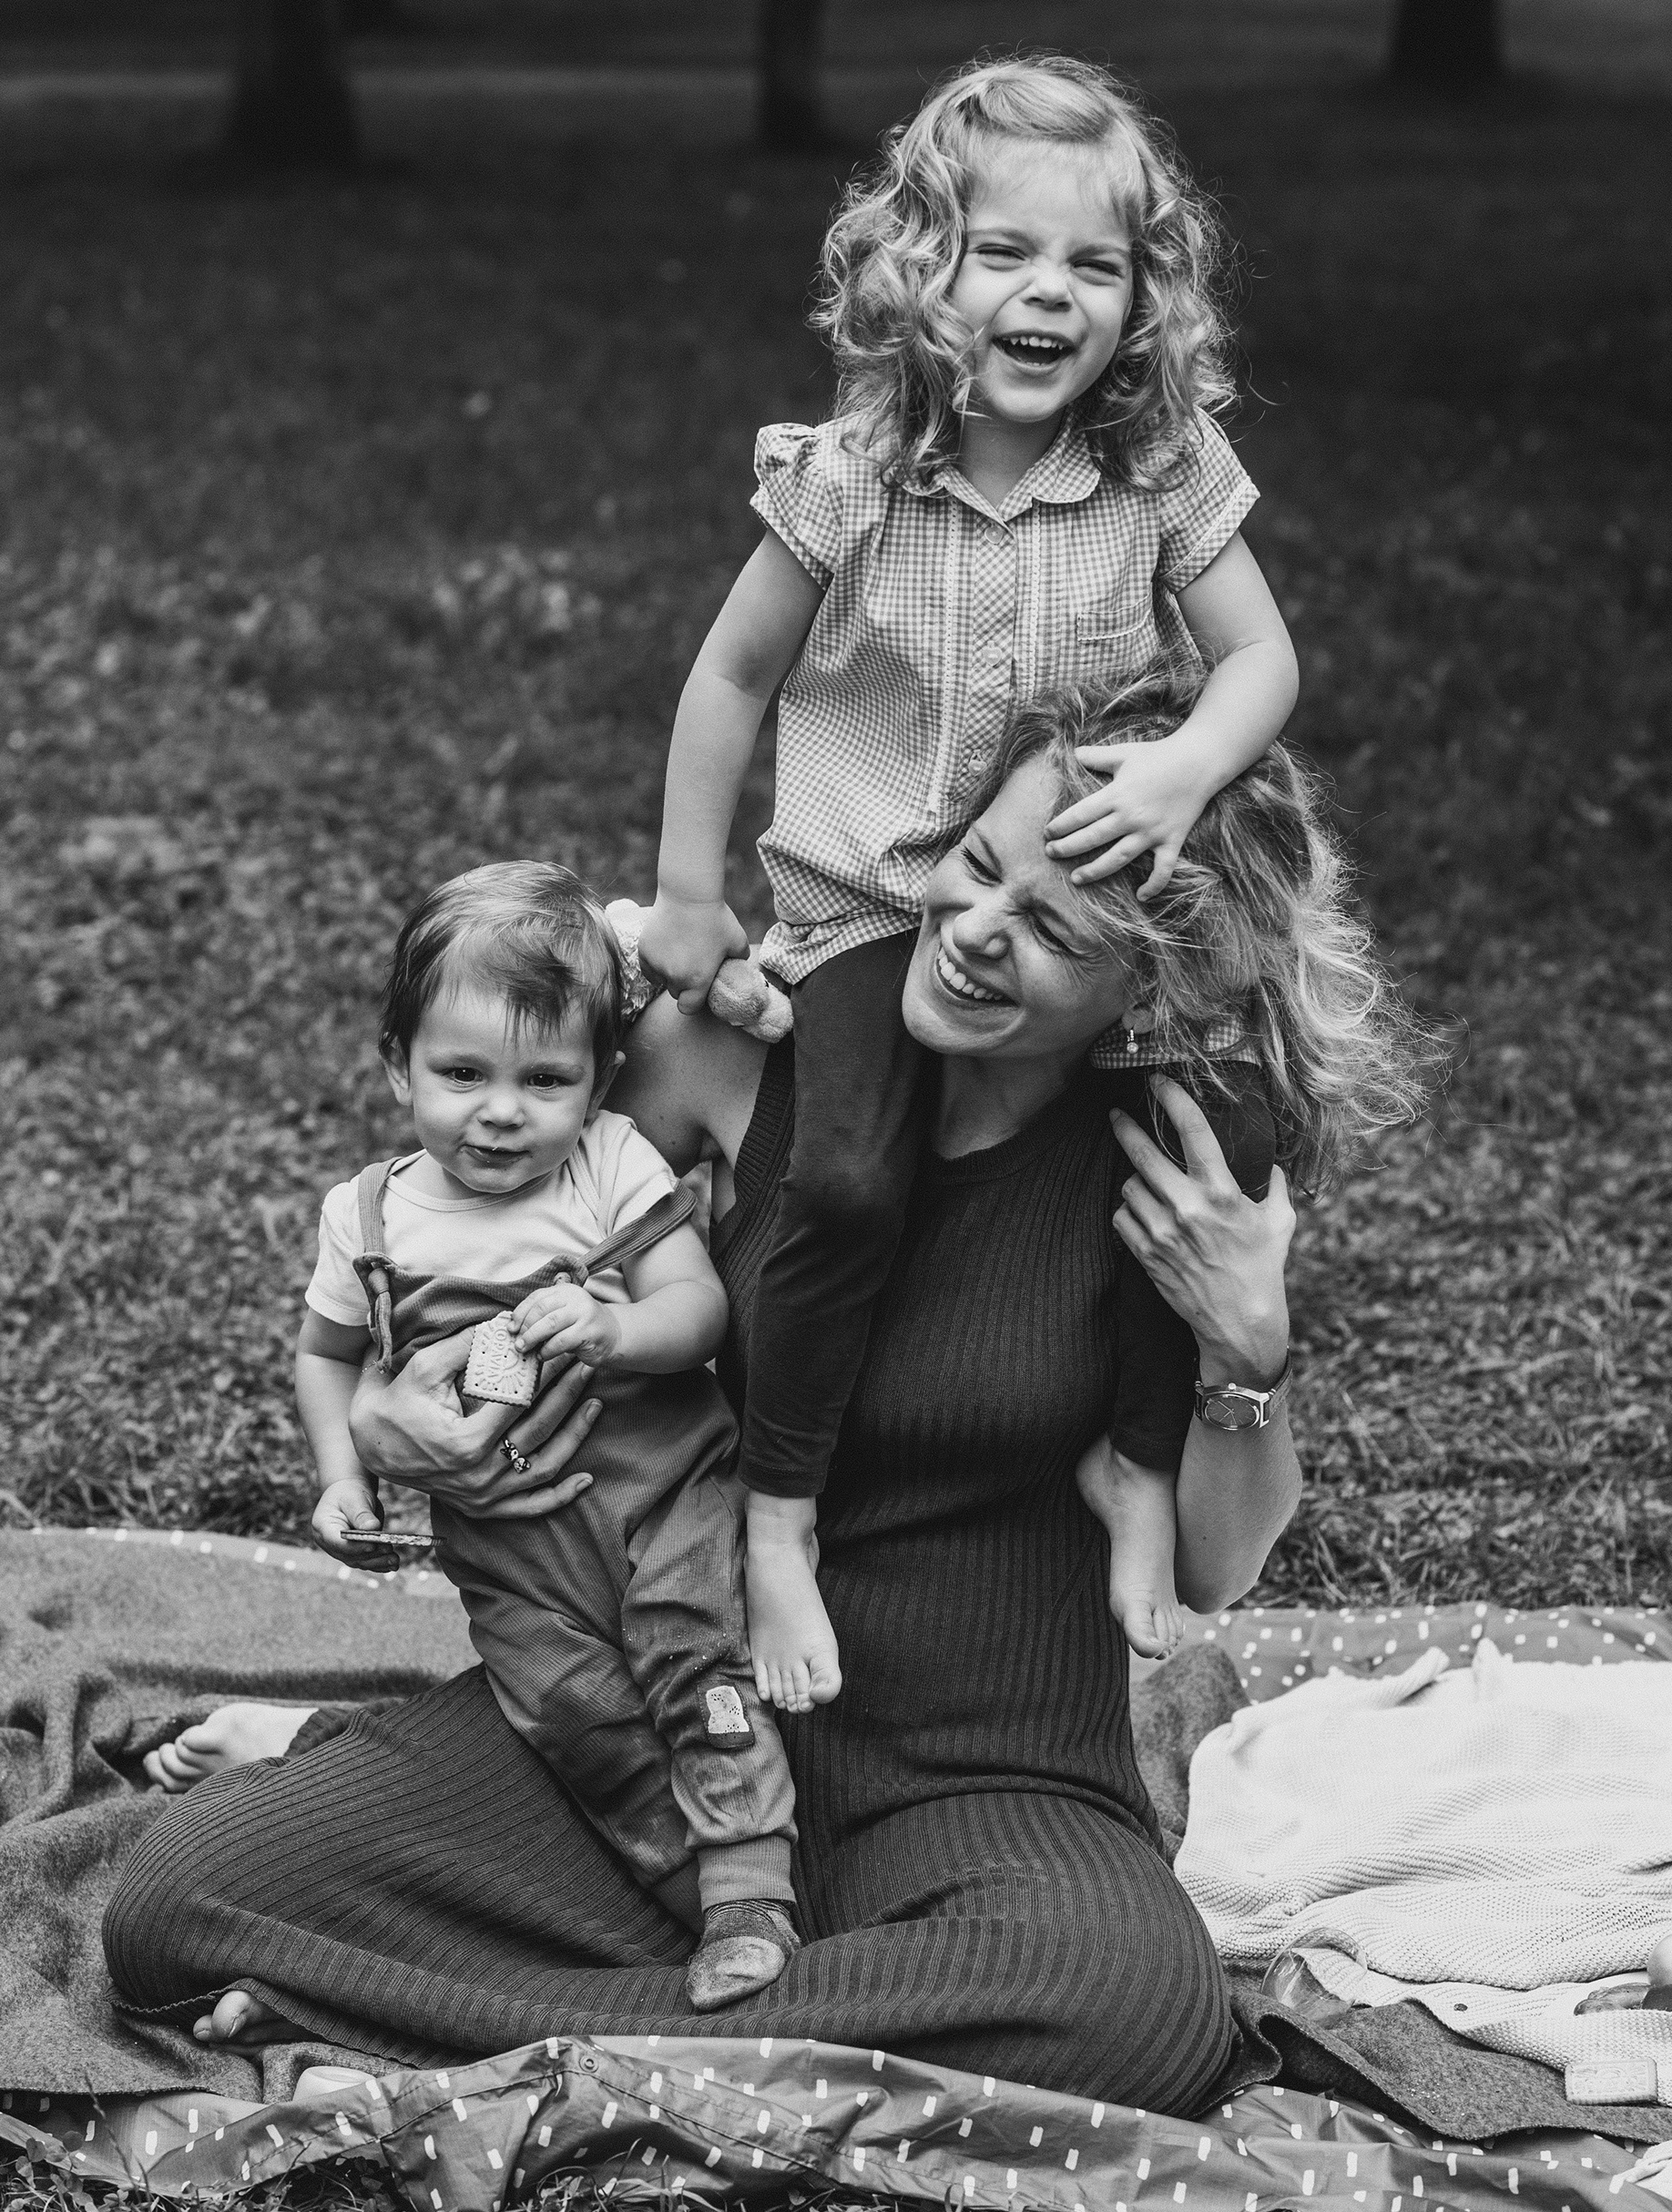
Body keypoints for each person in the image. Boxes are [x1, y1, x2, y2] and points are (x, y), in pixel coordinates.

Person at [105, 672, 1422, 2115]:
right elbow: (506, 1255)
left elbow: (1212, 1568)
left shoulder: (1176, 1160)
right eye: (980, 864)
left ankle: (458, 2016)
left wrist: (1247, 1349)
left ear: (1148, 987)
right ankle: (725, 2005)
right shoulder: (752, 1052)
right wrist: (387, 1420)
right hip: (678, 1717)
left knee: (1134, 2015)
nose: (977, 931)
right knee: (179, 1901)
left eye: (1054, 931)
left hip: (983, 1785)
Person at [637, 54, 1301, 1720]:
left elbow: (1264, 661)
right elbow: (729, 677)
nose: (1049, 293)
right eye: (1005, 251)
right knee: (847, 1179)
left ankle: (1135, 1463)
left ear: (1144, 300)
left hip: (1072, 881)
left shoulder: (1158, 469)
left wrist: (1183, 770)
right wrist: (688, 899)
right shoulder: (855, 472)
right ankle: (779, 1512)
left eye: (1095, 264)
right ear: (922, 270)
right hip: (882, 905)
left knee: (1208, 1141)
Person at [299, 861, 801, 2012]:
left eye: (545, 1079)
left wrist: (616, 1328)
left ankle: (749, 1888)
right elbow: (326, 1357)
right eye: (462, 1074)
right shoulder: (367, 1219)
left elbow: (699, 1310)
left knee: (693, 1658)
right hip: (510, 1554)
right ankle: (675, 1898)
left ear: (601, 1079)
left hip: (659, 1496)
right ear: (397, 1066)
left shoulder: (608, 1165)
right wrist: (340, 1474)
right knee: (573, 1716)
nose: (502, 1110)